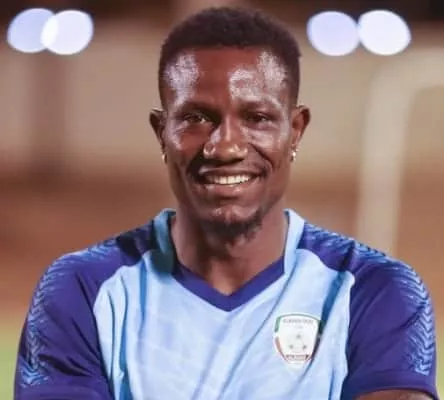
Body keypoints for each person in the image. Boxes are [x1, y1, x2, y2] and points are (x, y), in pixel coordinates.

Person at [14, 6, 438, 400]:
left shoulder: (374, 291)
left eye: (257, 118)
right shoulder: (83, 289)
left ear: (295, 131)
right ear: (162, 133)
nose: (225, 146)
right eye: (197, 118)